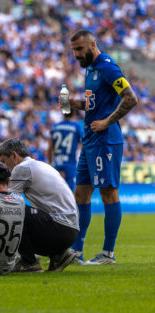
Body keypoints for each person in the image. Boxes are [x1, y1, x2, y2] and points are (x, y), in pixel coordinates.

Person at [65, 29, 138, 265]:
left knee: (108, 193)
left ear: (93, 45)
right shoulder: (90, 70)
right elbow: (94, 103)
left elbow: (130, 98)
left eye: (80, 49)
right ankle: (76, 251)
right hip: (89, 139)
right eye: (74, 50)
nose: (76, 54)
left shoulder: (107, 66)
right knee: (81, 194)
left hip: (106, 139)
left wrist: (107, 121)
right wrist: (74, 104)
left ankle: (108, 253)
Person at [0, 138, 79, 272]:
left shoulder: (22, 168)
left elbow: (8, 201)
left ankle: (29, 262)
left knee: (12, 210)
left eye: (4, 162)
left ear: (14, 156)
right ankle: (59, 255)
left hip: (60, 229)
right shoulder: (40, 165)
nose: (4, 167)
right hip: (70, 230)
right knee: (21, 210)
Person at [48, 110, 83, 191]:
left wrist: (50, 162)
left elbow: (50, 148)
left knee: (57, 191)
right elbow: (83, 143)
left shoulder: (55, 127)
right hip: (70, 163)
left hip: (57, 163)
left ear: (62, 113)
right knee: (69, 193)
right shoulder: (76, 127)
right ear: (74, 113)